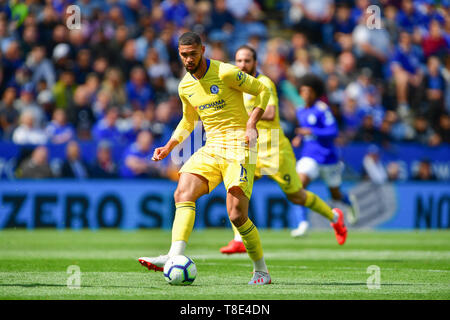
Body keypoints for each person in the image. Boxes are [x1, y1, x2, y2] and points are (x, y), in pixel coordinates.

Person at [138, 32, 272, 285]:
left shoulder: (226, 73)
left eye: (192, 54)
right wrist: (169, 146)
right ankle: (173, 256)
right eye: (183, 55)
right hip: (212, 147)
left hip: (239, 147)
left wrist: (251, 123)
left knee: (236, 215)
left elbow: (262, 90)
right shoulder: (184, 86)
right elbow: (189, 120)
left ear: (203, 50)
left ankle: (261, 271)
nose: (188, 59)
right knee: (182, 193)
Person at [220, 45, 347, 255]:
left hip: (274, 150)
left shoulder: (264, 83)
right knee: (236, 188)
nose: (242, 65)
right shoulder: (236, 86)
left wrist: (243, 113)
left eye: (247, 61)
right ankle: (238, 239)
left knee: (297, 196)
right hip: (251, 150)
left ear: (255, 63)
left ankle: (335, 217)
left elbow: (269, 113)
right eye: (239, 61)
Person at [292, 74, 360, 234]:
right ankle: (302, 223)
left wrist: (311, 131)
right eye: (303, 91)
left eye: (309, 91)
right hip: (310, 156)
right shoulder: (300, 111)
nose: (306, 95)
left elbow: (333, 131)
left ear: (315, 92)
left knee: (335, 194)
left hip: (328, 158)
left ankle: (348, 201)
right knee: (297, 187)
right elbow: (305, 129)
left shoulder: (322, 109)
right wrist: (299, 137)